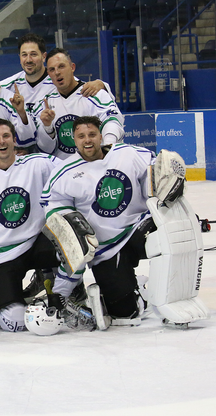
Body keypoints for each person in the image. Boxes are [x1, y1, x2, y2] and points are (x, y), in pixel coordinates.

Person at [40, 116, 181, 325]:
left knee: (175, 232)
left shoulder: (127, 154)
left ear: (101, 136)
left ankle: (176, 293)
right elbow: (53, 207)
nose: (87, 140)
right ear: (74, 140)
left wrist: (169, 176)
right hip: (105, 248)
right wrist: (73, 230)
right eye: (81, 136)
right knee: (124, 314)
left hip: (138, 227)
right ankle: (136, 292)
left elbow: (157, 167)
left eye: (92, 134)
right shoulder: (63, 173)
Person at [0, 119, 80, 332]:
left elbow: (72, 171)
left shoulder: (38, 163)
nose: (1, 141)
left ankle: (59, 297)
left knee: (75, 242)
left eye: (6, 136)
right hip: (1, 254)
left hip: (36, 242)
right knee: (15, 324)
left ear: (14, 140)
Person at [0, 33, 109, 115]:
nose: (28, 60)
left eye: (33, 54)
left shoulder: (57, 79)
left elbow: (79, 88)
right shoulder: (11, 84)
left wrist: (100, 84)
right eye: (24, 55)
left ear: (44, 57)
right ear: (19, 58)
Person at [33, 48, 124, 159]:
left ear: (72, 67)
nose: (57, 72)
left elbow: (113, 120)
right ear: (48, 74)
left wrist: (108, 148)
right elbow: (45, 150)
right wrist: (47, 127)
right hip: (64, 167)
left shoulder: (94, 93)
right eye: (52, 69)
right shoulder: (44, 104)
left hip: (96, 163)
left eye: (61, 66)